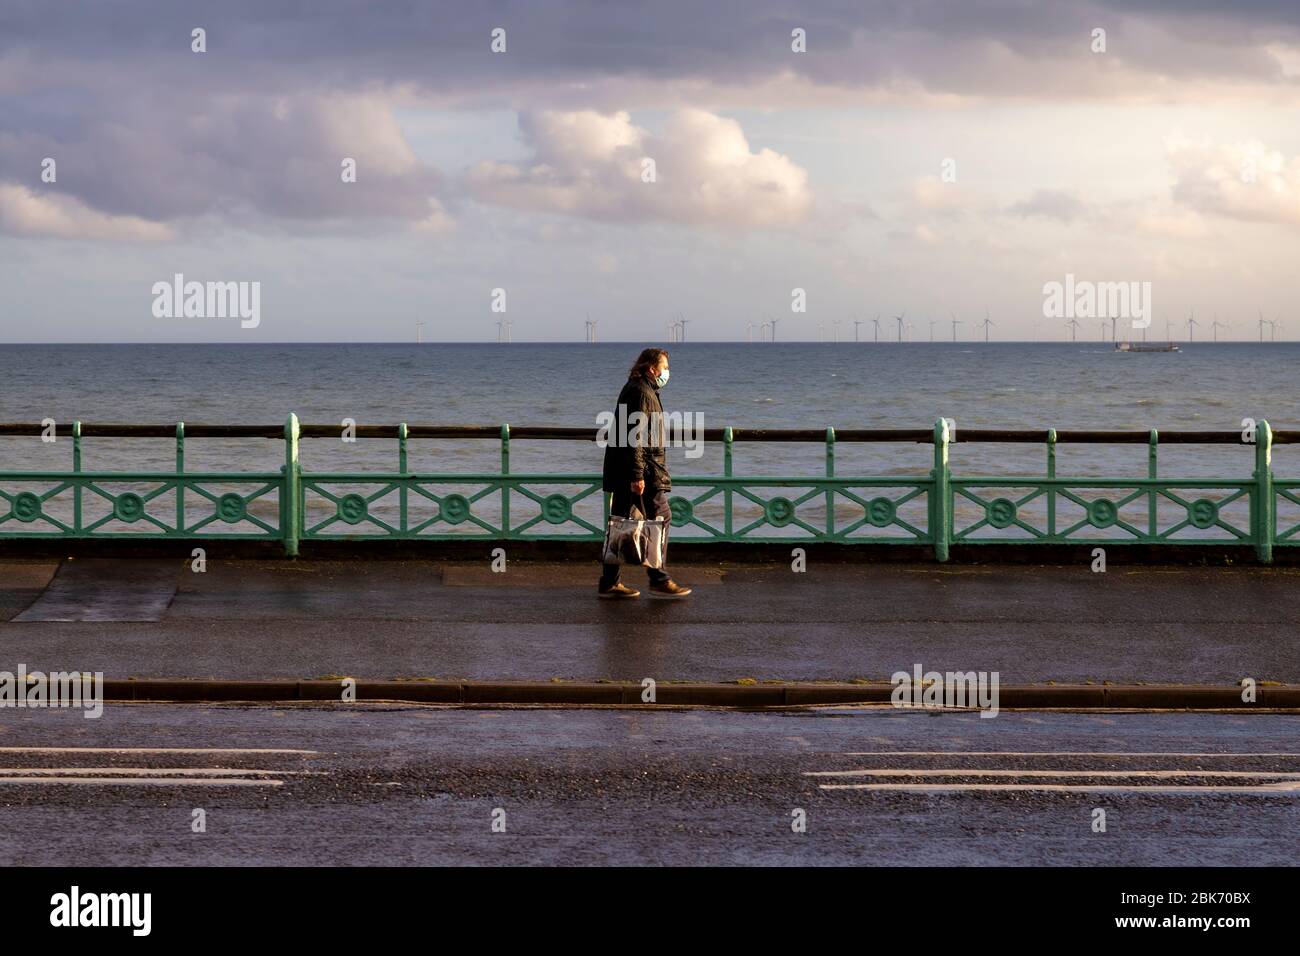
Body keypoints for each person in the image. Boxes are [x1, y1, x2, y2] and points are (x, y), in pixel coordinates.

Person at [598, 348, 692, 599]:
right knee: (661, 517)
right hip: (643, 471)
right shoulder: (641, 393)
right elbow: (635, 437)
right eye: (665, 367)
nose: (667, 373)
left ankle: (609, 582)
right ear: (652, 368)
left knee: (620, 522)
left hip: (626, 470)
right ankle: (658, 579)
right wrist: (637, 475)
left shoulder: (639, 389)